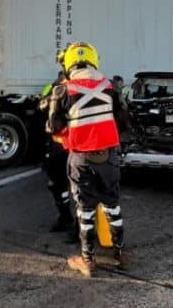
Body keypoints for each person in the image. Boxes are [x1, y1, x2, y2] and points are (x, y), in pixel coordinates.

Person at [46, 42, 130, 277]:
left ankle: (88, 260)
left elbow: (52, 126)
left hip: (81, 157)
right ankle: (121, 254)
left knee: (85, 210)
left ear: (69, 63)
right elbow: (123, 121)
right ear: (94, 60)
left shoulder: (62, 90)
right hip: (109, 155)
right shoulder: (111, 86)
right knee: (113, 205)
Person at [39, 65, 74, 241]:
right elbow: (42, 106)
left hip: (74, 146)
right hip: (57, 146)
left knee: (79, 188)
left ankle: (79, 228)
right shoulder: (55, 89)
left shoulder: (79, 91)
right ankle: (65, 217)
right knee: (56, 185)